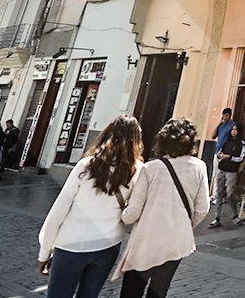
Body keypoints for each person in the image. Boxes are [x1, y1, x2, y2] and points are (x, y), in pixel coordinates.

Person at [38, 116, 144, 298]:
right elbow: (132, 213)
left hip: (71, 244)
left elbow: (59, 209)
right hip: (108, 245)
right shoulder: (138, 170)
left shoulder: (86, 165)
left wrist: (44, 251)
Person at [115, 117, 209, 298]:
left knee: (132, 290)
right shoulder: (199, 167)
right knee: (159, 291)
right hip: (175, 241)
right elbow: (202, 209)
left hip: (147, 240)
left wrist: (120, 215)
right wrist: (183, 225)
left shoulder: (150, 168)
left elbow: (133, 212)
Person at [208, 123, 245, 228]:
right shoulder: (226, 141)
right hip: (222, 168)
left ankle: (235, 215)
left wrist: (230, 157)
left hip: (232, 171)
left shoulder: (241, 144)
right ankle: (217, 217)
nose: (234, 132)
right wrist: (220, 155)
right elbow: (220, 152)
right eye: (232, 129)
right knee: (219, 194)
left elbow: (241, 158)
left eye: (236, 130)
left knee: (230, 194)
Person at [209, 108, 234, 195]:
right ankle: (214, 193)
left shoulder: (232, 126)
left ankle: (219, 194)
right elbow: (213, 136)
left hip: (225, 152)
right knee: (215, 173)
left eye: (226, 115)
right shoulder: (221, 125)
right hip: (217, 151)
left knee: (222, 175)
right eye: (223, 115)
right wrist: (218, 124)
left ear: (230, 115)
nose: (224, 117)